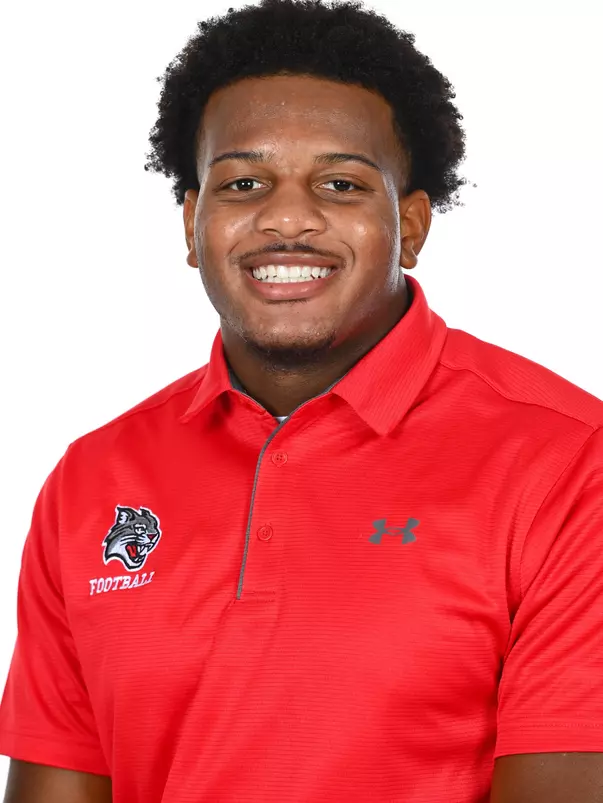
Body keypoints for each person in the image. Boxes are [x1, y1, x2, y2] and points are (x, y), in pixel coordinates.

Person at [2, 0, 603, 800]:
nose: (286, 218)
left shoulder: (568, 460)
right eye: (243, 182)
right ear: (192, 223)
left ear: (412, 225)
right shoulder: (92, 478)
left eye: (341, 184)